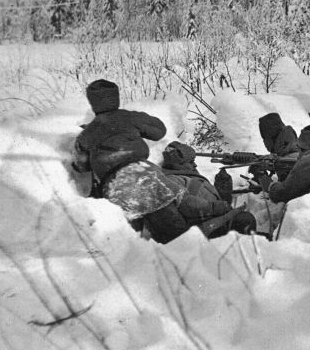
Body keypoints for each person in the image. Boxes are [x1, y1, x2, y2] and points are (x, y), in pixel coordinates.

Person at [71, 79, 187, 244]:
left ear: (93, 102)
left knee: (133, 246)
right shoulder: (129, 117)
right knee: (177, 235)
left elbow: (81, 167)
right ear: (115, 97)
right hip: (147, 173)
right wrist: (134, 120)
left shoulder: (86, 136)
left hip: (118, 186)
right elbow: (159, 131)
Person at [161, 141, 258, 238]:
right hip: (201, 226)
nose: (195, 165)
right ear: (177, 164)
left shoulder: (189, 174)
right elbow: (184, 202)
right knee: (244, 220)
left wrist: (223, 190)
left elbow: (211, 200)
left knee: (244, 220)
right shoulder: (171, 180)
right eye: (191, 162)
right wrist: (214, 207)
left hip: (212, 219)